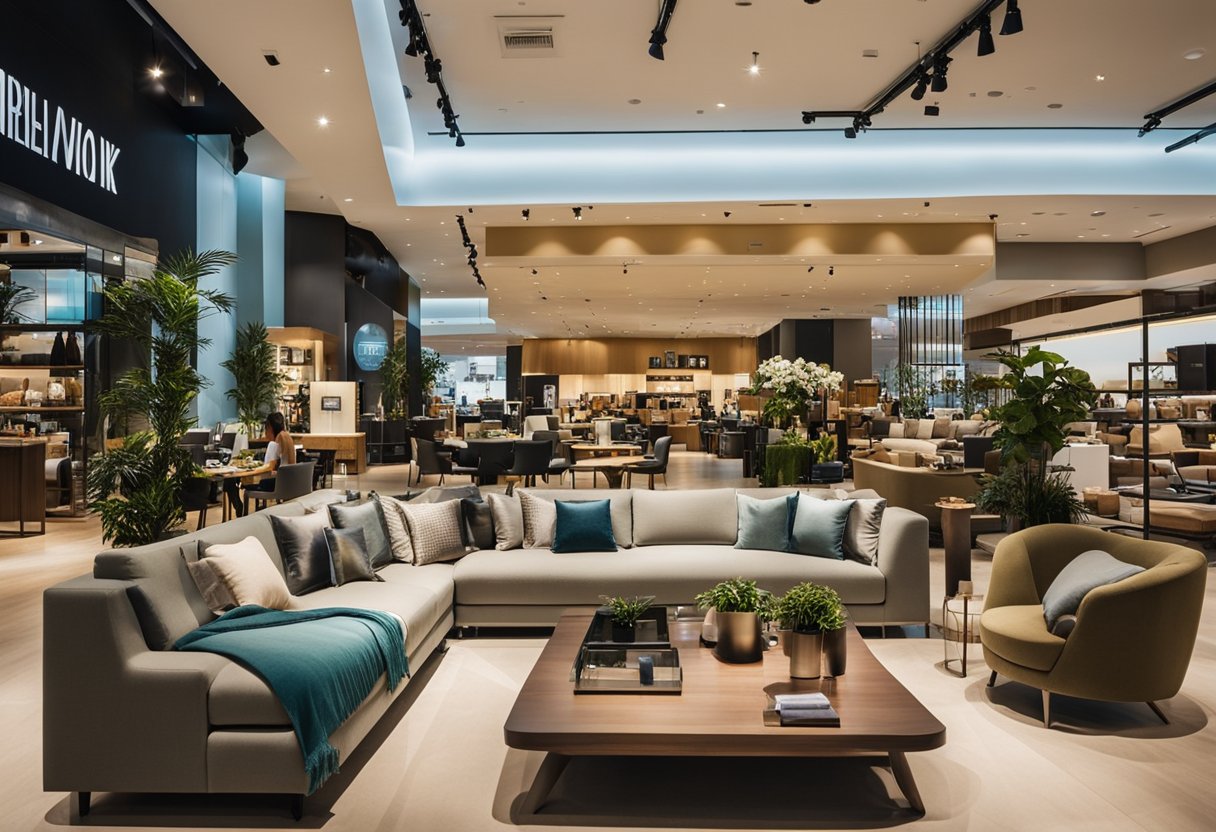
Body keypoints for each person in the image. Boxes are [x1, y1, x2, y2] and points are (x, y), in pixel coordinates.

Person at [223, 412, 296, 517]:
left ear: (270, 427)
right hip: (287, 483)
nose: (265, 433)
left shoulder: (273, 443)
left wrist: (250, 470)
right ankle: (237, 504)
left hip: (274, 485)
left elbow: (268, 467)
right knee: (232, 481)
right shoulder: (287, 437)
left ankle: (238, 507)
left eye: (266, 428)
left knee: (231, 480)